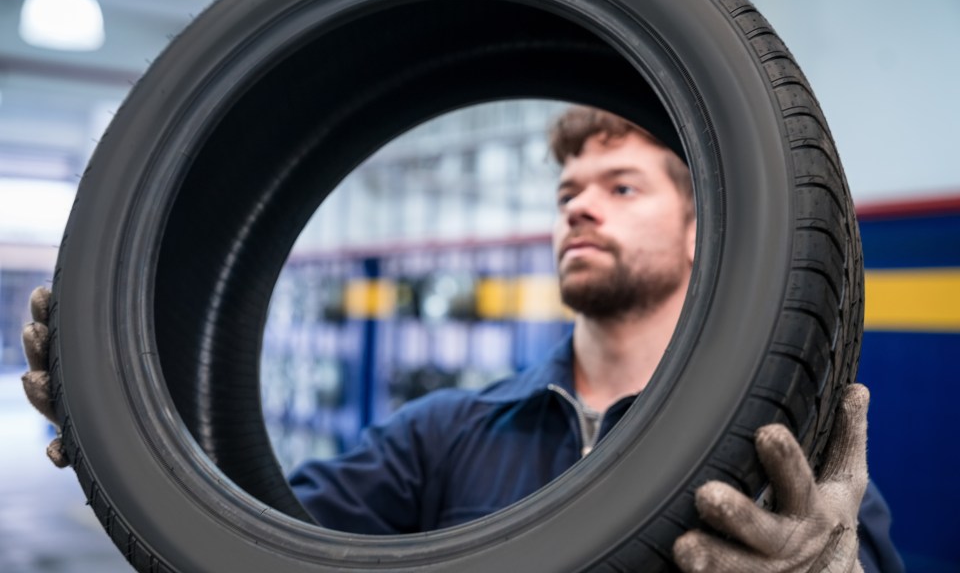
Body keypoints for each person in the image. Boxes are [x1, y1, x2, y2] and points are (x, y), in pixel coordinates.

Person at [22, 106, 904, 572]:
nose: (581, 207)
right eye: (568, 194)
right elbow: (237, 532)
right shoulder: (440, 433)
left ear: (699, 233)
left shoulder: (782, 449)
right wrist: (124, 421)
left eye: (622, 188)